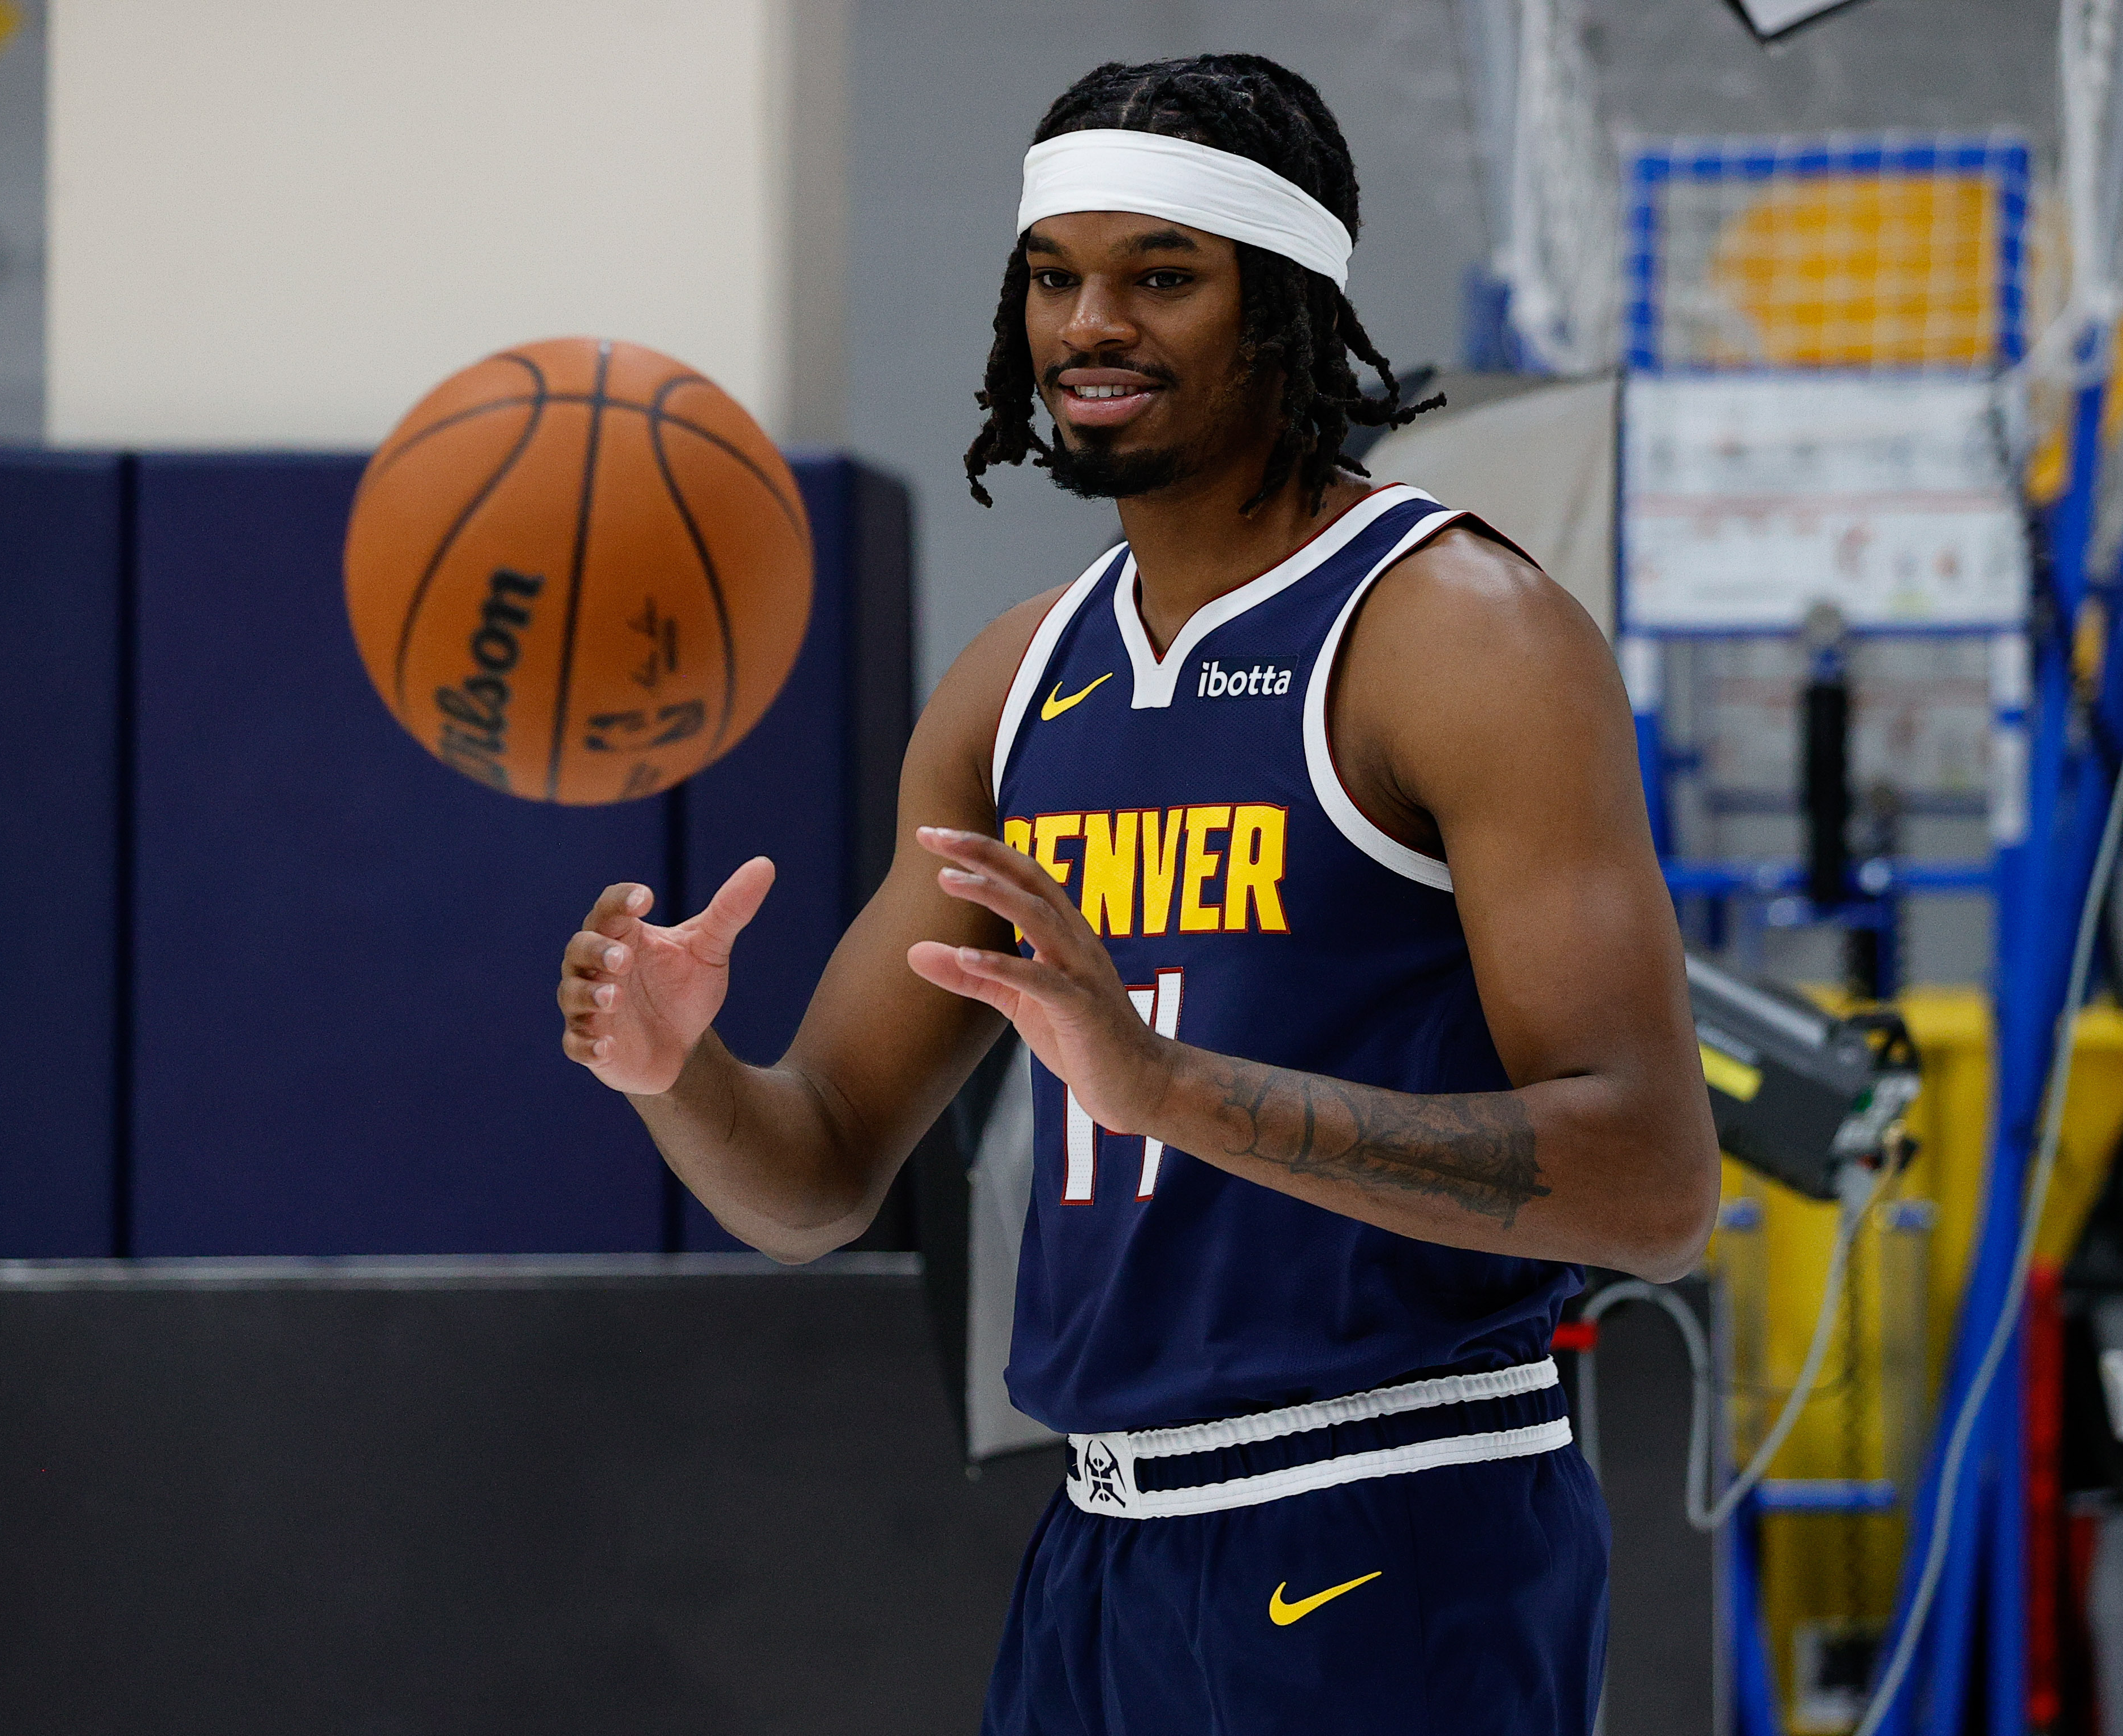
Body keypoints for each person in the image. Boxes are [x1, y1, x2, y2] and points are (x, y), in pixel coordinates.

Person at [556, 52, 1718, 1736]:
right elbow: (811, 1176)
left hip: (1392, 1510)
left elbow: (1652, 1183)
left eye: (1162, 276)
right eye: (1054, 277)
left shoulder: (1458, 636)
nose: (1089, 323)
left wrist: (1173, 1091)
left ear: (1286, 306)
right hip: (1103, 1537)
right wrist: (682, 1075)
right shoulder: (1017, 684)